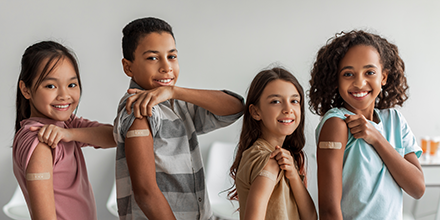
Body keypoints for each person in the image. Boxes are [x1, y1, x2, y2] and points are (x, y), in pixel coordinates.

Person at [113, 17, 244, 220]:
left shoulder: (177, 104)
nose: (167, 67)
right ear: (128, 67)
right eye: (152, 58)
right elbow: (145, 192)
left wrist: (174, 92)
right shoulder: (139, 109)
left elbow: (235, 108)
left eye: (172, 56)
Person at [309, 30, 425, 219]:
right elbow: (329, 210)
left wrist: (377, 138)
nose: (359, 82)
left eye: (369, 72)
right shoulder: (337, 124)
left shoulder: (395, 120)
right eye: (348, 74)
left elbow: (417, 188)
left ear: (384, 77)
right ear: (336, 79)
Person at [13, 41, 115, 220]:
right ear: (25, 89)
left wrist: (70, 134)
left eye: (72, 85)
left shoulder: (66, 125)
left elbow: (115, 136)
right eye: (51, 86)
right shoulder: (42, 141)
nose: (64, 95)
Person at [228, 67, 317, 220]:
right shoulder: (268, 161)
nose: (288, 109)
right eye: (275, 101)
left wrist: (294, 176)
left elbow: (310, 216)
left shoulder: (286, 159)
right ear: (256, 112)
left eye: (294, 101)